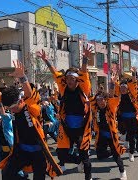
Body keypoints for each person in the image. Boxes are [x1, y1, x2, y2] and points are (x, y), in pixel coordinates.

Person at [0, 60, 62, 179]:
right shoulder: (10, 100)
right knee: (7, 174)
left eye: (13, 107)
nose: (12, 110)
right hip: (21, 150)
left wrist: (23, 77)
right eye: (9, 108)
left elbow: (29, 93)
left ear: (21, 101)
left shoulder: (32, 107)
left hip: (38, 152)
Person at [38, 46, 92, 179]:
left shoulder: (83, 88)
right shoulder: (63, 88)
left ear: (77, 80)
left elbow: (84, 73)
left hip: (81, 128)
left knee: (84, 155)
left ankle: (88, 177)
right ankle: (77, 161)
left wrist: (85, 58)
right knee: (62, 154)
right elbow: (55, 74)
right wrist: (46, 60)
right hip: (67, 127)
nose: (69, 80)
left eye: (72, 78)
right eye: (67, 78)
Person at [91, 73, 127, 180]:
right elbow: (90, 100)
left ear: (106, 100)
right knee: (100, 155)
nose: (100, 102)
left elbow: (111, 95)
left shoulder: (110, 107)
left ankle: (122, 171)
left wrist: (112, 83)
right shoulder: (96, 108)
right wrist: (96, 94)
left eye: (102, 99)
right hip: (101, 135)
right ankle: (113, 150)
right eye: (98, 100)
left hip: (111, 134)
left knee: (116, 156)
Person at [118, 67, 138, 162]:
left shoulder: (132, 94)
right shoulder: (118, 97)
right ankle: (131, 153)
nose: (122, 89)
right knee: (131, 137)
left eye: (124, 88)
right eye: (121, 87)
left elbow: (134, 84)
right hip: (125, 120)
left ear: (127, 88)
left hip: (135, 118)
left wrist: (134, 73)